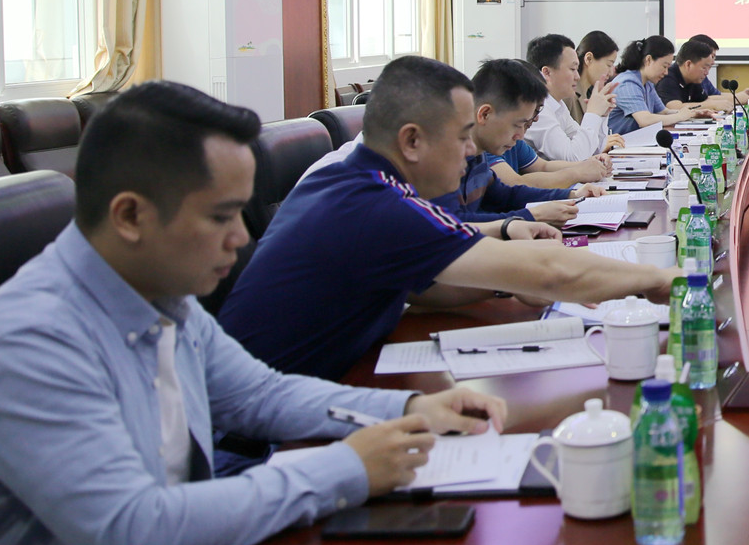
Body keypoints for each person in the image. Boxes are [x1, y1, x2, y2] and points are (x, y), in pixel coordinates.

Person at [0, 81, 509, 545]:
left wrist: (406, 411)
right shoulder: (30, 344)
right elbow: (133, 532)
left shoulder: (160, 297)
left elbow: (259, 392)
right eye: (221, 216)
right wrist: (345, 467)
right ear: (130, 215)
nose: (240, 237)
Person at [218, 54, 676, 381]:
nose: (471, 149)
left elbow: (427, 287)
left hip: (316, 381)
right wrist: (656, 280)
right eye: (461, 137)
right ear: (412, 141)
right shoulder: (370, 203)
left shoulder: (364, 183)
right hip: (260, 433)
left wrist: (506, 282)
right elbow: (551, 271)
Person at [436, 58, 604, 227]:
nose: (521, 136)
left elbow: (507, 195)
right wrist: (533, 215)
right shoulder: (446, 160)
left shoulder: (478, 155)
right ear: (485, 114)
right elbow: (454, 224)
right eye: (517, 125)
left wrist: (571, 195)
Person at [524, 32, 622, 161]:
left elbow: (593, 149)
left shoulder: (558, 105)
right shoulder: (538, 110)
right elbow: (572, 158)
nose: (577, 76)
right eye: (572, 69)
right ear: (547, 72)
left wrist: (601, 115)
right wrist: (593, 113)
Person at [605, 36, 715, 135]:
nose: (666, 72)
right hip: (619, 145)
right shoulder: (628, 83)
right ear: (648, 60)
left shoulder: (647, 83)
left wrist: (692, 113)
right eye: (664, 66)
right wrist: (680, 116)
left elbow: (663, 112)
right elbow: (645, 120)